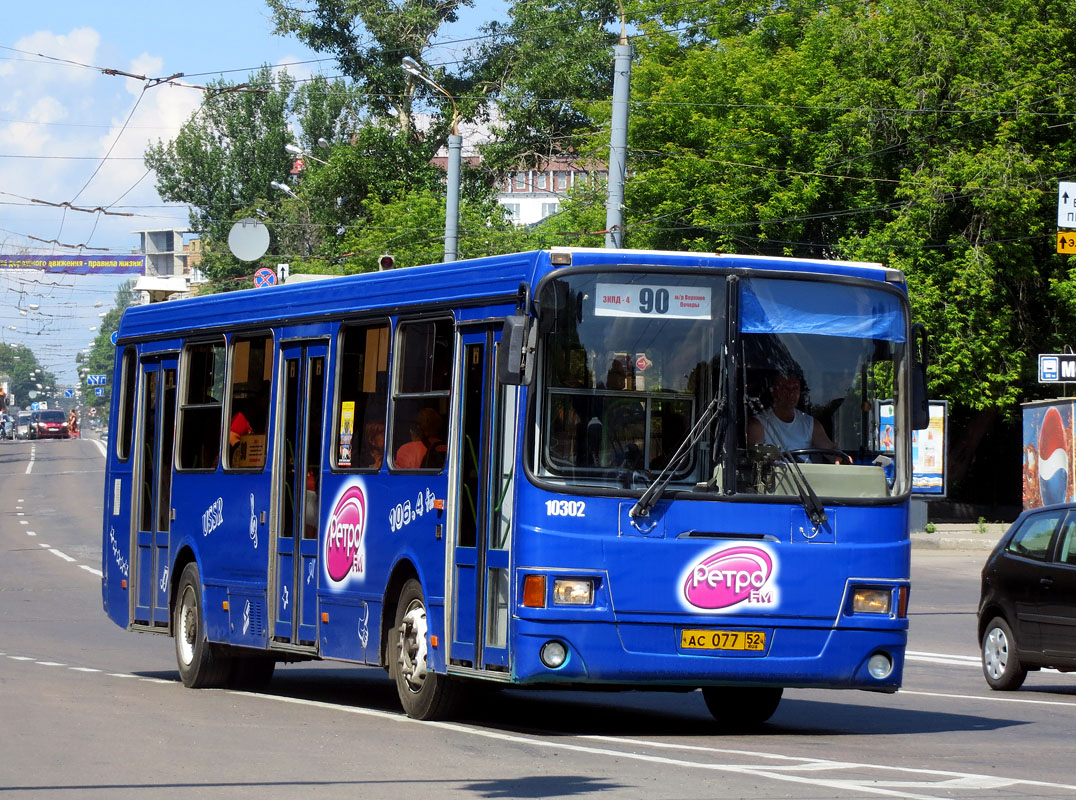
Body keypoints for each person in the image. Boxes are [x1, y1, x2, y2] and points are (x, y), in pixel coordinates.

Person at [746, 370, 842, 457]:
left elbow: (831, 451)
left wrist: (840, 458)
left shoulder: (811, 424)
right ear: (774, 391)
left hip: (804, 476)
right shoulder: (758, 424)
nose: (791, 393)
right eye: (785, 388)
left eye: (795, 388)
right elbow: (754, 457)